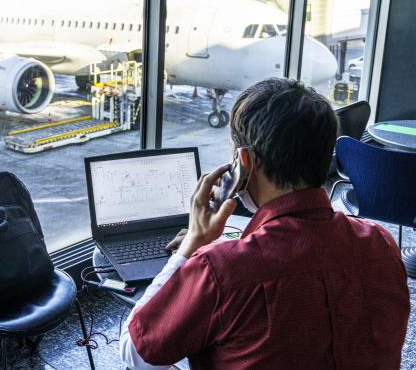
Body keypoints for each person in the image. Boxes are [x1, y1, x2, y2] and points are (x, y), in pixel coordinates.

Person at [119, 78, 410, 369]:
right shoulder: (381, 244)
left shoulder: (221, 270)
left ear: (243, 161)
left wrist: (192, 246)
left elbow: (137, 354)